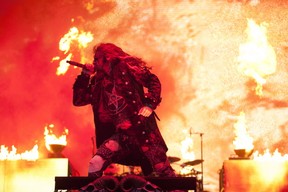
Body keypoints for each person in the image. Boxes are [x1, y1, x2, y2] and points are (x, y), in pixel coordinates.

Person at [72, 43, 176, 178]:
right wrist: (85, 75)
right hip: (122, 136)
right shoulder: (98, 83)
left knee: (163, 171)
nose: (93, 62)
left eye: (97, 58)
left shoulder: (127, 69)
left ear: (107, 58)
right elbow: (79, 100)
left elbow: (152, 80)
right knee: (95, 163)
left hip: (143, 133)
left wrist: (149, 104)